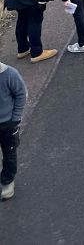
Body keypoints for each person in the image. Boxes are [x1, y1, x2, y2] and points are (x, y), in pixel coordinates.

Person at [0, 53, 25, 199]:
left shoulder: (10, 74)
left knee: (9, 155)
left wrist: (15, 119)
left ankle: (8, 181)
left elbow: (21, 94)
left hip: (7, 125)